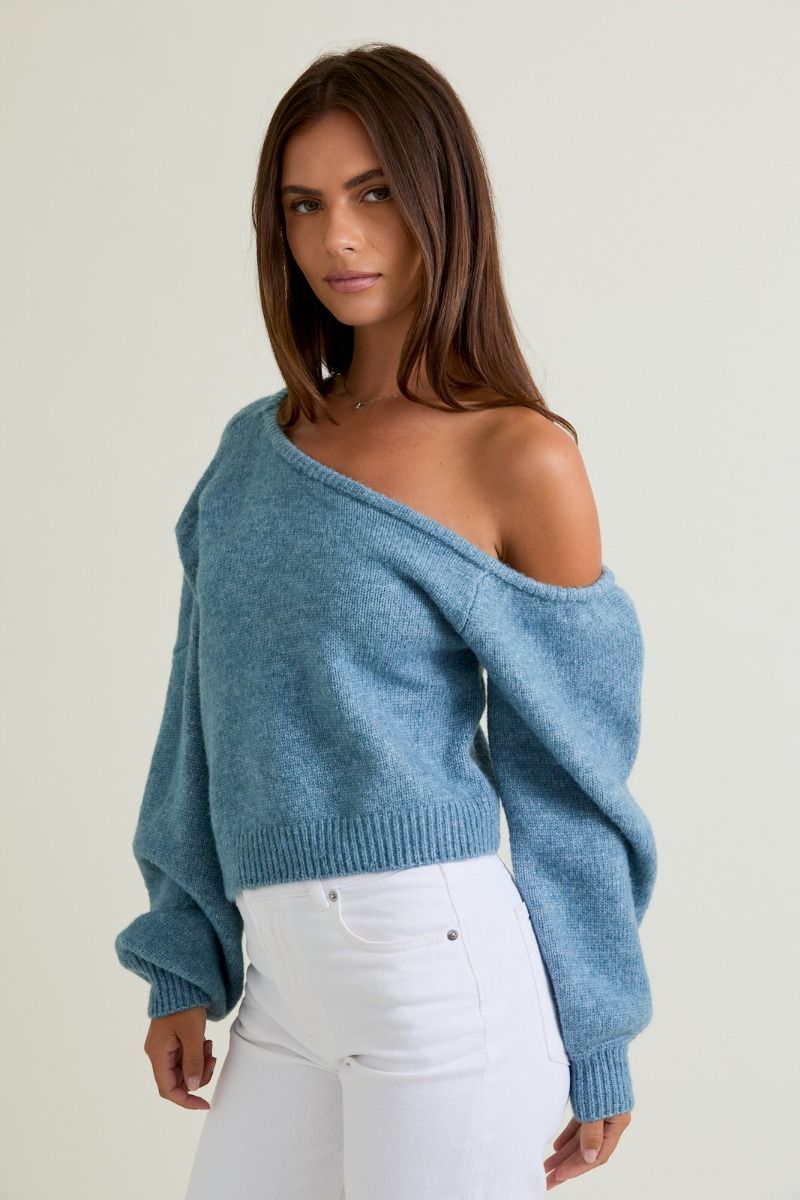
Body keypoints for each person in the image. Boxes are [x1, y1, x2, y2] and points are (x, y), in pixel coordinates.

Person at [114, 42, 658, 1199]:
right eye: (303, 205)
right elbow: (196, 722)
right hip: (282, 985)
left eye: (373, 194)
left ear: (439, 203)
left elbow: (570, 777)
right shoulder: (252, 452)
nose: (337, 239)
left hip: (436, 971)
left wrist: (598, 1030)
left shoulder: (518, 457)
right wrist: (181, 959)